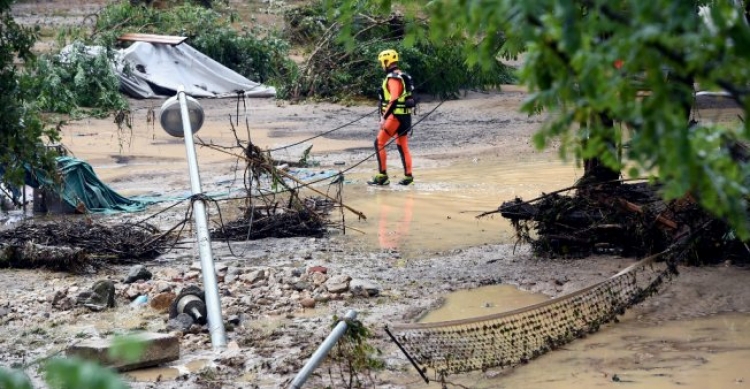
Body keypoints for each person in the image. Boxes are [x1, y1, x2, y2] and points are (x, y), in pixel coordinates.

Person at [368, 49, 416, 186]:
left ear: (386, 62)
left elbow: (394, 99)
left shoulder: (393, 78)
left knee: (379, 143)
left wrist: (384, 117)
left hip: (395, 117)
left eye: (382, 63)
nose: (381, 65)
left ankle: (382, 176)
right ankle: (408, 178)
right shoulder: (403, 75)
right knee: (402, 146)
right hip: (405, 117)